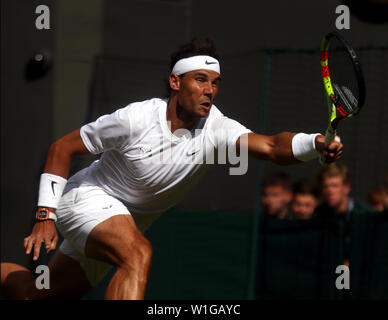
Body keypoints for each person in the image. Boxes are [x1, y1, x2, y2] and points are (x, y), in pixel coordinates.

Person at [0, 38, 343, 300]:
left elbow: (271, 146)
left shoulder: (217, 129)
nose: (209, 89)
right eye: (199, 79)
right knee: (138, 254)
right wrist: (46, 213)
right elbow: (63, 147)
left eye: (215, 82)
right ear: (176, 83)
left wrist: (314, 143)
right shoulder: (135, 119)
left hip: (122, 223)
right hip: (86, 198)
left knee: (36, 295)